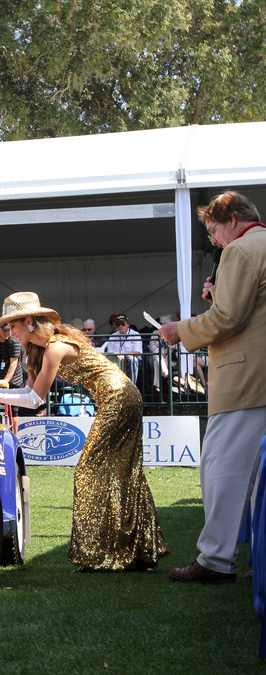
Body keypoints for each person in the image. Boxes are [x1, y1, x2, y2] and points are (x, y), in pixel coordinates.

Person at [0, 292, 169, 572]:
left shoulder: (55, 347)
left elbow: (34, 400)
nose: (10, 332)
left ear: (28, 321)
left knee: (91, 471)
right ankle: (131, 553)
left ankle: (105, 555)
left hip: (119, 398)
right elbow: (29, 393)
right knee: (120, 472)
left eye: (12, 326)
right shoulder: (41, 350)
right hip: (119, 396)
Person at [159, 190, 266, 584]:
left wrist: (179, 330)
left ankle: (217, 560)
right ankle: (253, 556)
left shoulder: (240, 252)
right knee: (258, 479)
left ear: (232, 219)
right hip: (259, 378)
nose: (214, 239)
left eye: (213, 229)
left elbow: (229, 318)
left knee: (221, 469)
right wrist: (218, 294)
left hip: (245, 381)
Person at [100, 314, 142, 382]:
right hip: (118, 360)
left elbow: (137, 352)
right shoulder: (113, 336)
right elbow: (110, 352)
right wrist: (115, 354)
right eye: (118, 324)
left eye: (122, 324)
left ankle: (132, 385)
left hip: (131, 360)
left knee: (132, 359)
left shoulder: (136, 335)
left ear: (128, 324)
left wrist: (125, 356)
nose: (120, 326)